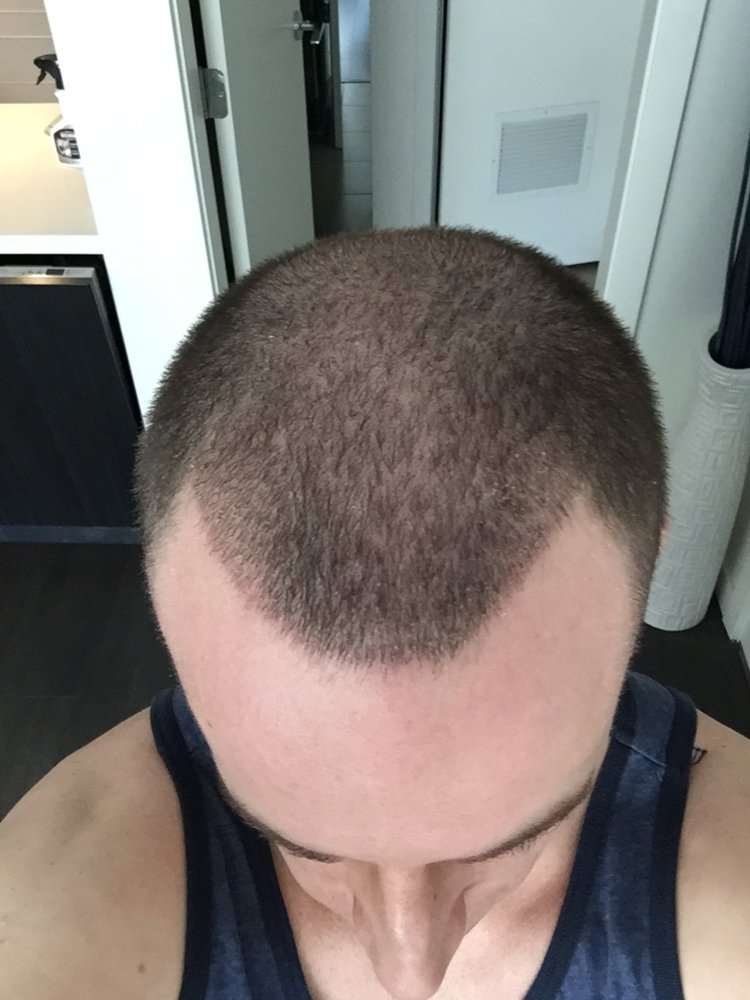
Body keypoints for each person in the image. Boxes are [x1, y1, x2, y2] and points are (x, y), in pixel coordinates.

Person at [1, 227, 749, 1000]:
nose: (410, 974)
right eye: (299, 845)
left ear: (643, 579)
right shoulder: (50, 909)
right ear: (166, 619)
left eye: (513, 840)